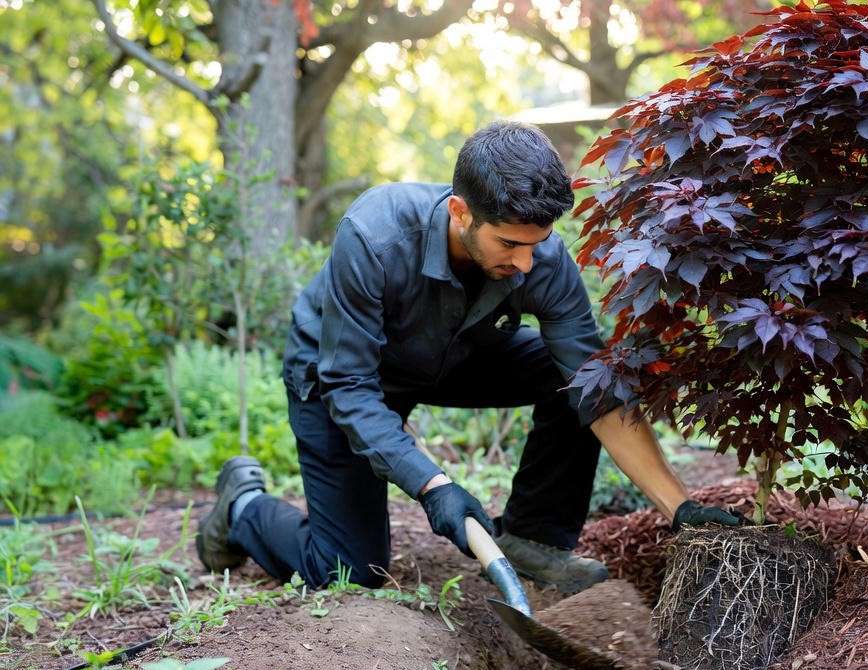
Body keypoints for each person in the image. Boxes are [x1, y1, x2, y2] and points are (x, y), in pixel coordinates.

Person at [195, 121, 744, 593]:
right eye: (510, 245)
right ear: (460, 213)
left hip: (452, 357)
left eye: (538, 243)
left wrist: (681, 510)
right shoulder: (374, 236)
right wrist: (436, 487)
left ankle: (531, 539)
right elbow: (350, 387)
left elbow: (594, 385)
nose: (528, 263)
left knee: (574, 377)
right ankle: (242, 508)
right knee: (349, 569)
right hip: (342, 374)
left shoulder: (540, 258)